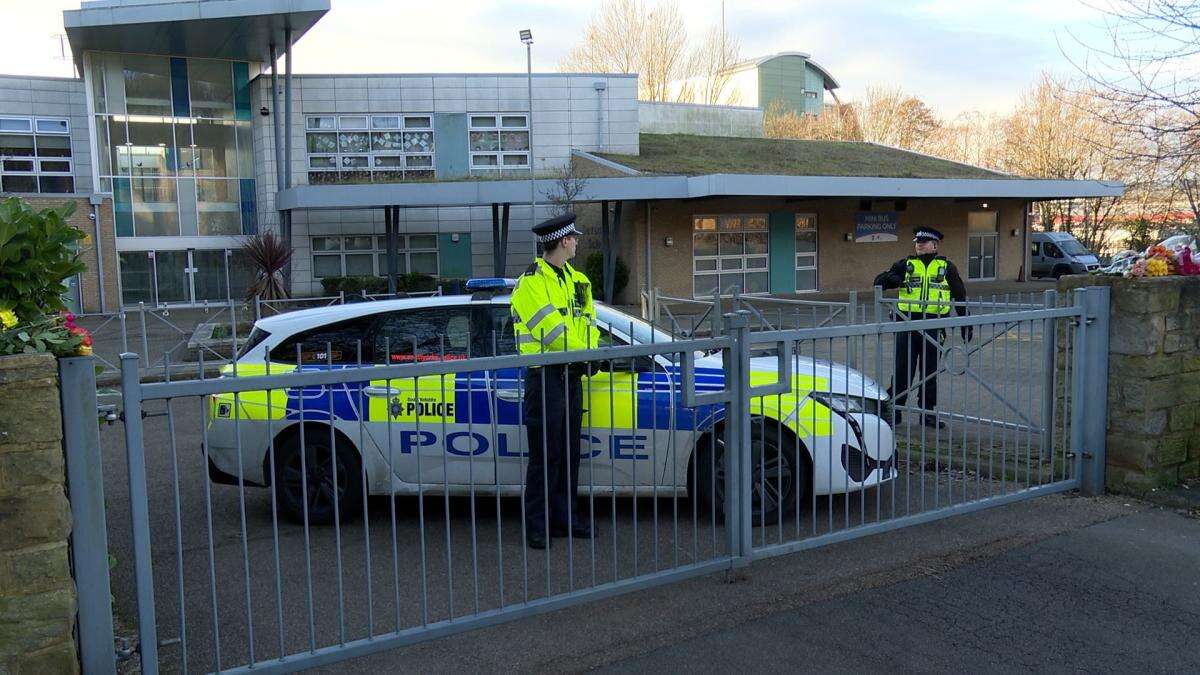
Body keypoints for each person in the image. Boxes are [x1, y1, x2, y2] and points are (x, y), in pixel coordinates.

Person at [509, 212, 599, 549]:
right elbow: (551, 334)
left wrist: (590, 354)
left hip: (571, 376)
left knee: (569, 452)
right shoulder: (531, 282)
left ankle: (565, 520)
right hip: (545, 376)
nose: (577, 242)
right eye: (574, 237)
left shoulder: (579, 281)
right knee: (545, 455)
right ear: (563, 241)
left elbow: (588, 325)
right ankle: (537, 525)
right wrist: (586, 355)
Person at [873, 227, 971, 429]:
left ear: (935, 245)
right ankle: (895, 410)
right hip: (907, 324)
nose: (919, 244)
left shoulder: (946, 267)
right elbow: (878, 282)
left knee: (929, 372)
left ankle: (927, 413)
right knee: (902, 370)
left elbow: (959, 295)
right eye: (917, 241)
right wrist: (892, 278)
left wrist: (965, 323)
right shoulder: (905, 264)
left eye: (924, 242)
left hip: (935, 325)